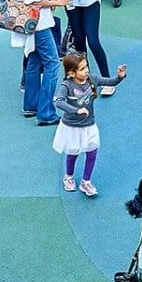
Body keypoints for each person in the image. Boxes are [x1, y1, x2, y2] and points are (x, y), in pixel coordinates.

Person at [53, 51, 127, 195]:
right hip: (72, 126)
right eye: (82, 69)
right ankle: (69, 177)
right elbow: (59, 102)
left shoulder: (92, 79)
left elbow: (109, 82)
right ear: (72, 73)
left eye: (86, 66)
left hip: (89, 125)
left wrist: (119, 77)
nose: (86, 70)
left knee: (92, 151)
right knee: (73, 152)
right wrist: (76, 110)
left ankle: (86, 181)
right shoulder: (66, 86)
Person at [13, 0, 64, 124]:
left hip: (35, 26)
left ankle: (31, 105)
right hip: (40, 25)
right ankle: (46, 112)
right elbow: (34, 0)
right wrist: (59, 3)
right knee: (52, 64)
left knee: (34, 63)